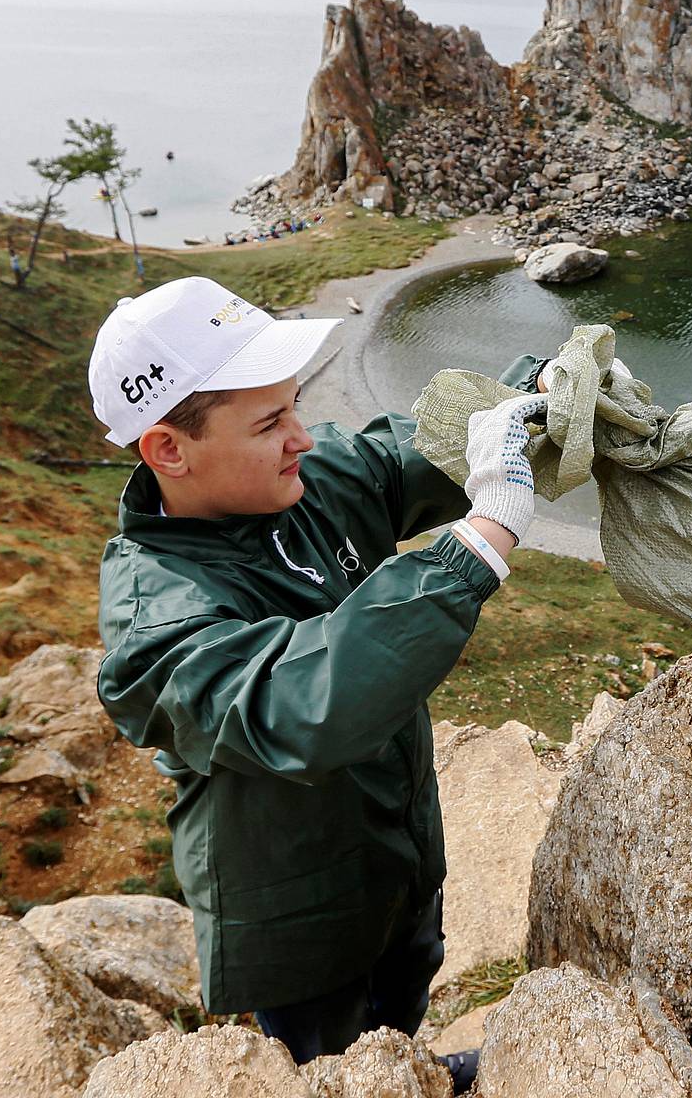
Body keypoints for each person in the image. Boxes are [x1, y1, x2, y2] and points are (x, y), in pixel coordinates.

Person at [89, 276, 550, 1090]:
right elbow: (298, 705)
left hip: (393, 852)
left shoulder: (295, 483)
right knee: (331, 1064)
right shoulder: (155, 618)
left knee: (403, 1003)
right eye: (271, 421)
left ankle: (412, 1068)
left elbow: (401, 456)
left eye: (294, 405)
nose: (302, 436)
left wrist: (531, 397)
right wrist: (475, 547)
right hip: (298, 919)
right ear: (169, 449)